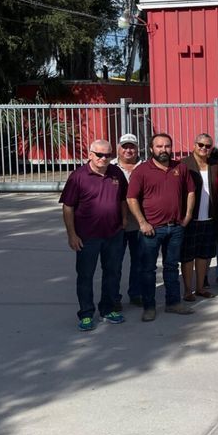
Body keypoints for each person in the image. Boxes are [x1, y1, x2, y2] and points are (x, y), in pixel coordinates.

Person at [126, 133, 196, 321]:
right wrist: (142, 222)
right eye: (159, 146)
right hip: (151, 230)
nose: (163, 149)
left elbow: (191, 191)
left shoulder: (180, 167)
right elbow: (131, 198)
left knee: (172, 266)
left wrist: (188, 215)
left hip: (176, 228)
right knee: (148, 270)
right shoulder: (141, 171)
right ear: (151, 149)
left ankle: (173, 303)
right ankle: (149, 307)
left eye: (167, 146)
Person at [60, 140, 128, 330]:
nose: (103, 159)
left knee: (112, 273)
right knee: (85, 276)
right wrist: (72, 235)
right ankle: (86, 314)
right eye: (99, 155)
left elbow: (123, 198)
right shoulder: (78, 177)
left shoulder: (116, 173)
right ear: (90, 154)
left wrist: (124, 219)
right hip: (87, 237)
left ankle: (107, 309)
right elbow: (68, 207)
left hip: (113, 234)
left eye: (107, 155)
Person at [181, 133, 218, 302]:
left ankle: (200, 288)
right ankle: (187, 290)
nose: (204, 148)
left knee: (204, 255)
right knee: (188, 256)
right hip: (190, 218)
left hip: (209, 217)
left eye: (208, 146)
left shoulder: (214, 165)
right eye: (201, 145)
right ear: (194, 145)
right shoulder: (184, 164)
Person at [113, 132, 143, 309]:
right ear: (119, 148)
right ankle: (113, 297)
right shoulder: (109, 167)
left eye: (132, 147)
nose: (128, 150)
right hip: (116, 224)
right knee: (114, 263)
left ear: (137, 149)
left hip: (139, 223)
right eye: (125, 147)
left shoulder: (146, 166)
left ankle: (136, 293)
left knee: (139, 261)